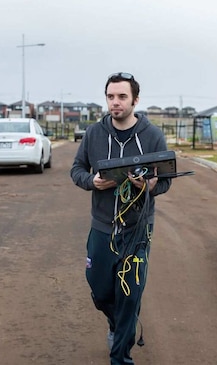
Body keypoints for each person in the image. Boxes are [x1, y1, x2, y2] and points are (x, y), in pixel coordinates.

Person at [70, 72, 172, 365]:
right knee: (101, 291)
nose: (115, 103)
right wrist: (92, 181)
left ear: (135, 100)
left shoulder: (152, 136)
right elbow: (76, 169)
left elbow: (165, 181)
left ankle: (121, 357)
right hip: (103, 228)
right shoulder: (94, 134)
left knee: (129, 295)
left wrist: (151, 186)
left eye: (122, 97)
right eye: (110, 97)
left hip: (138, 230)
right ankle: (117, 325)